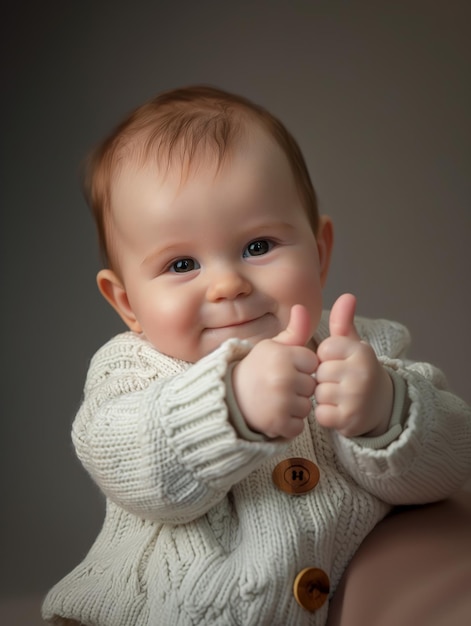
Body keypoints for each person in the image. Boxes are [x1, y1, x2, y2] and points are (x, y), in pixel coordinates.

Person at [42, 86, 471, 626]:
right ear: (127, 302)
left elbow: (452, 466)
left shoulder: (363, 351)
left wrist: (385, 412)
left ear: (319, 254)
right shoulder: (132, 370)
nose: (227, 284)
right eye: (181, 265)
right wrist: (229, 406)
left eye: (258, 246)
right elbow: (129, 464)